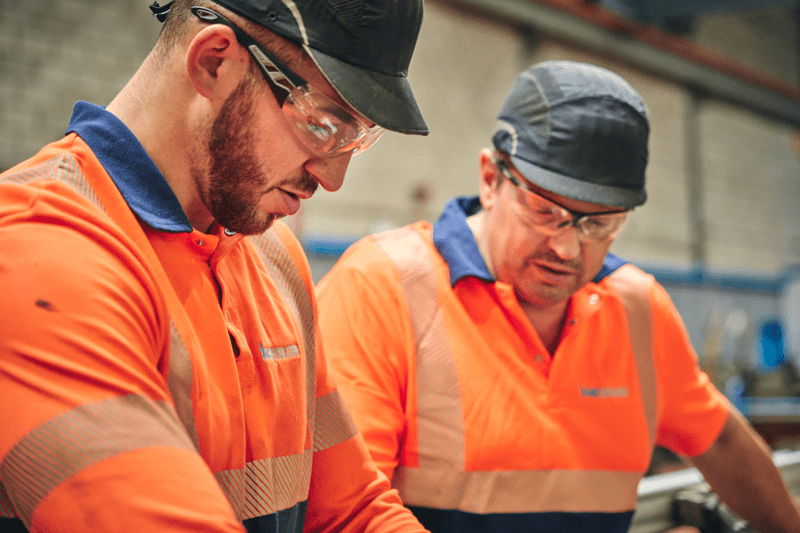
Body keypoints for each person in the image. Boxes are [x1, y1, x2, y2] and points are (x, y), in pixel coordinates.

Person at [0, 0, 431, 532]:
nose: (333, 177)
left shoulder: (276, 260)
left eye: (356, 139)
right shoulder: (35, 247)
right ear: (213, 63)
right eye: (323, 125)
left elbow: (351, 512)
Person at [315, 60, 800, 533]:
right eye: (545, 211)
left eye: (599, 224)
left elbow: (720, 442)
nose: (567, 248)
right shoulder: (383, 286)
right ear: (490, 179)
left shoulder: (637, 309)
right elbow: (349, 510)